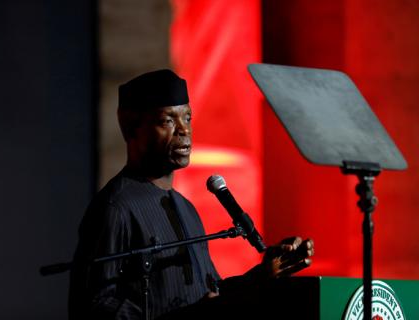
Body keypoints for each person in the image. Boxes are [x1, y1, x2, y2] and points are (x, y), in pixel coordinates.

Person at [68, 69, 314, 320]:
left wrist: (262, 275)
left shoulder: (186, 208)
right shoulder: (116, 207)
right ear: (132, 128)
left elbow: (210, 293)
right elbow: (94, 306)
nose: (184, 130)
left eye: (188, 117)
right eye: (168, 120)